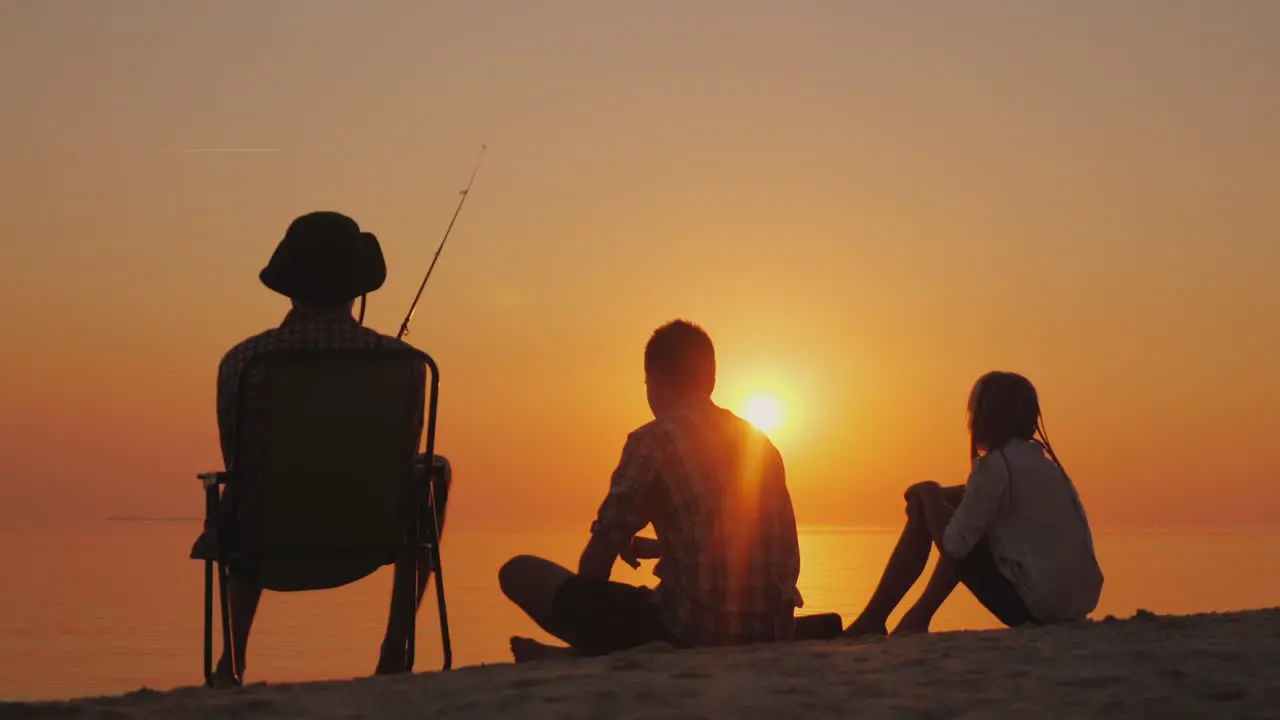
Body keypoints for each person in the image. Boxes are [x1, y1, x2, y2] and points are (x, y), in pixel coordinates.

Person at [188, 211, 452, 684]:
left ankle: (232, 662)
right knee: (433, 469)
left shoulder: (245, 361)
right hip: (370, 539)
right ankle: (395, 651)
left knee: (241, 486)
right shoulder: (406, 363)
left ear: (290, 286)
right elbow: (399, 458)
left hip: (266, 544)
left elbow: (238, 459)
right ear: (359, 288)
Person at [498, 320, 803, 661]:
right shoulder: (760, 444)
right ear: (712, 380)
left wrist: (596, 588)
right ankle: (569, 656)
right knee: (649, 601)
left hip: (692, 632)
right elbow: (746, 542)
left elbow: (595, 564)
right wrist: (663, 547)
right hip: (772, 631)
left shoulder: (653, 442)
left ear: (653, 381)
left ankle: (575, 656)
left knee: (518, 572)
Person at [845, 371, 1103, 636]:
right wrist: (934, 499)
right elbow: (974, 497)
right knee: (959, 517)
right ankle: (910, 617)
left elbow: (955, 546)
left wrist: (930, 494)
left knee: (961, 532)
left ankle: (881, 618)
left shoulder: (996, 466)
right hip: (1071, 608)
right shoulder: (1045, 467)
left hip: (1033, 608)